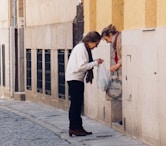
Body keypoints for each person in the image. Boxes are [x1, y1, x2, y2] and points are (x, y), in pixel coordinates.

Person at [65, 31, 103, 136]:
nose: (95, 47)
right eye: (96, 44)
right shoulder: (82, 49)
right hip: (75, 78)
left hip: (76, 78)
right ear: (91, 41)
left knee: (77, 104)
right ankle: (74, 128)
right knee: (76, 104)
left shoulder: (82, 48)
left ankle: (78, 127)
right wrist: (95, 63)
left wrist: (94, 62)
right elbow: (81, 66)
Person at [101, 24, 122, 125]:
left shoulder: (119, 39)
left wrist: (117, 65)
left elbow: (123, 54)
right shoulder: (115, 41)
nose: (107, 42)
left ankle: (121, 116)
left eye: (106, 39)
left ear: (110, 35)